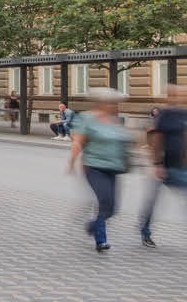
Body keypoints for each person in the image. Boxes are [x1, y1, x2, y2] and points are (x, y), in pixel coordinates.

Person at [67, 88, 132, 252]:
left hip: (114, 167)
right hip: (94, 167)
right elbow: (78, 141)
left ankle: (93, 226)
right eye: (112, 103)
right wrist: (71, 162)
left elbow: (122, 141)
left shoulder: (114, 120)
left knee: (112, 208)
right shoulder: (87, 118)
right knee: (104, 202)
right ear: (102, 103)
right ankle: (101, 241)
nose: (115, 106)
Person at [139, 84, 187, 248]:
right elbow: (156, 140)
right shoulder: (164, 114)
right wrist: (157, 164)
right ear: (170, 96)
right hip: (163, 166)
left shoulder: (184, 114)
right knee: (152, 201)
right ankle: (145, 232)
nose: (182, 96)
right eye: (179, 94)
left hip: (180, 167)